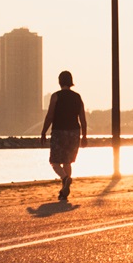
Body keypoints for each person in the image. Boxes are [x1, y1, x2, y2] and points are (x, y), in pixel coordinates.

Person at [40, 70, 87, 201]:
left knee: (54, 162)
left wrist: (43, 131)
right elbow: (82, 118)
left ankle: (65, 179)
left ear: (60, 81)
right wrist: (84, 136)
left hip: (59, 131)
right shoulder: (77, 97)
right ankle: (65, 191)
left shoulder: (56, 96)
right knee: (67, 161)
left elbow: (50, 115)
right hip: (74, 133)